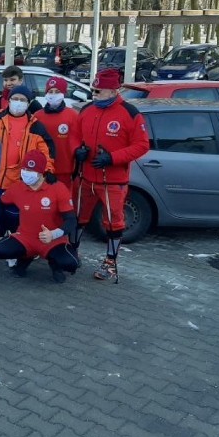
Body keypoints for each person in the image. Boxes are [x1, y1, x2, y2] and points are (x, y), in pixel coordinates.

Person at [72, 68, 150, 283]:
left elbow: (142, 145)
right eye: (93, 90)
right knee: (78, 216)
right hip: (86, 176)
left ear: (113, 91)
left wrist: (113, 158)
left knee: (113, 223)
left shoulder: (130, 113)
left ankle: (110, 262)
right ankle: (73, 250)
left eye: (98, 91)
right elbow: (75, 137)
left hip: (113, 181)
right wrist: (78, 150)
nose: (94, 95)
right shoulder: (87, 110)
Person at [0, 84, 55, 268]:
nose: (18, 103)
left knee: (16, 220)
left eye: (22, 100)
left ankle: (13, 251)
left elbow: (46, 153)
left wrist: (48, 171)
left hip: (20, 182)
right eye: (15, 99)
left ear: (29, 103)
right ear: (8, 100)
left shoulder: (35, 126)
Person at [0, 150, 80, 283]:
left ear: (41, 172)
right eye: (25, 168)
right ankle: (25, 259)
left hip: (52, 240)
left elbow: (71, 220)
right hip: (25, 237)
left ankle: (55, 266)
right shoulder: (17, 187)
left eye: (31, 170)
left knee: (71, 263)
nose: (26, 173)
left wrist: (54, 234)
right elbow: (0, 202)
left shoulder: (58, 188)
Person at [33, 76, 80, 189]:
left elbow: (77, 141)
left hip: (65, 169)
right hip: (42, 170)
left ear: (63, 93)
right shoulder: (37, 116)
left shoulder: (73, 115)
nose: (53, 94)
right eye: (50, 91)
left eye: (57, 91)